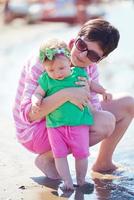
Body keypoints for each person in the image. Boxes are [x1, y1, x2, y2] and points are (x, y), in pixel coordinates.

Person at [12, 19, 134, 182]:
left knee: (127, 104)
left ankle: (103, 163)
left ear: (101, 58)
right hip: (33, 130)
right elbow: (28, 115)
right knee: (104, 122)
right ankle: (48, 157)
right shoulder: (47, 59)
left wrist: (86, 95)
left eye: (92, 55)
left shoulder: (89, 69)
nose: (83, 55)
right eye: (82, 46)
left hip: (62, 119)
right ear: (75, 38)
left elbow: (94, 113)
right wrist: (67, 93)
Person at [31, 38, 112, 190]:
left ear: (69, 61)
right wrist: (35, 101)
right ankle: (67, 182)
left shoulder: (78, 73)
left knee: (81, 154)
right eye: (51, 70)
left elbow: (92, 84)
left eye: (61, 68)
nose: (57, 73)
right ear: (45, 69)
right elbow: (37, 93)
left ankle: (81, 180)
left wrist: (104, 91)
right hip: (55, 126)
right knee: (59, 155)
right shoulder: (46, 79)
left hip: (79, 124)